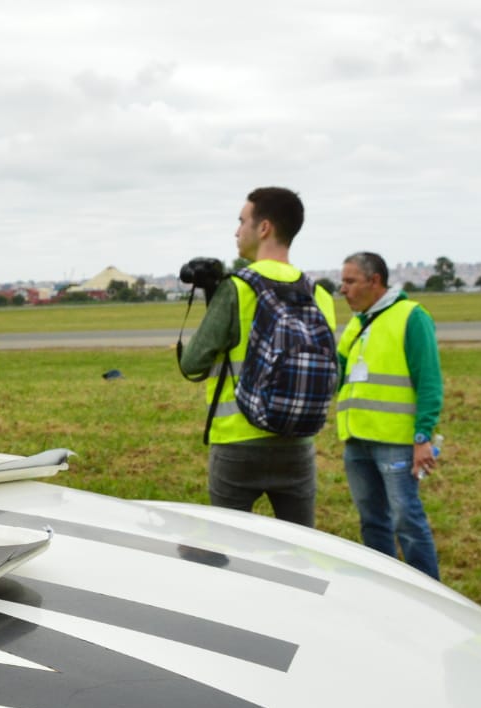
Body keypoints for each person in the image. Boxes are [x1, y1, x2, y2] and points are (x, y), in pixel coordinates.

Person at [177, 187, 336, 525]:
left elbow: (192, 363)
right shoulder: (319, 294)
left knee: (230, 546)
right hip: (298, 442)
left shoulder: (236, 287)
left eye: (241, 221)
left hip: (238, 442)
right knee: (299, 547)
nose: (237, 231)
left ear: (264, 228)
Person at [334, 251, 443, 578]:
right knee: (372, 521)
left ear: (375, 281)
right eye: (342, 281)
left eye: (350, 281)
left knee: (406, 519)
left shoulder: (412, 317)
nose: (343, 289)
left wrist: (422, 437)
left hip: (395, 442)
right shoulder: (356, 324)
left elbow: (429, 381)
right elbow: (337, 375)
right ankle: (384, 586)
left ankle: (428, 589)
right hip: (356, 441)